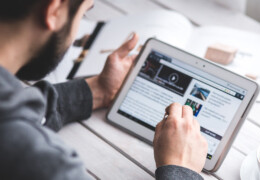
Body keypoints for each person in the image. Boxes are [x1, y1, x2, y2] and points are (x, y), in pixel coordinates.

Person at [0, 0, 208, 179]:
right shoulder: (45, 165)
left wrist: (97, 90)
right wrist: (181, 169)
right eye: (84, 12)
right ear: (54, 10)